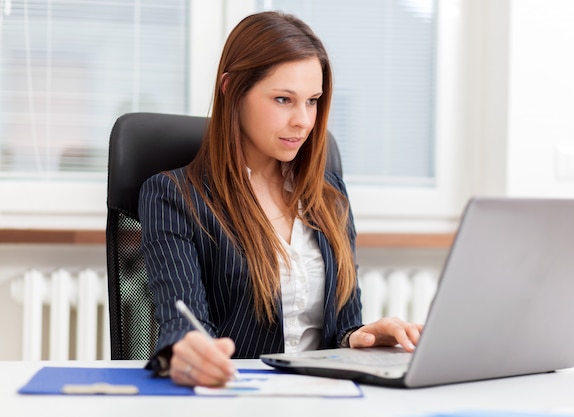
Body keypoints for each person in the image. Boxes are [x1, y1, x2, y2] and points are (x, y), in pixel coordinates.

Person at [139, 10, 422, 388]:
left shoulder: (329, 196)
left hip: (325, 398)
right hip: (235, 397)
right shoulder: (174, 196)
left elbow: (340, 326)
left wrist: (360, 338)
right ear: (231, 90)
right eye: (283, 99)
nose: (304, 121)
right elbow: (181, 325)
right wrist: (189, 352)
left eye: (313, 101)